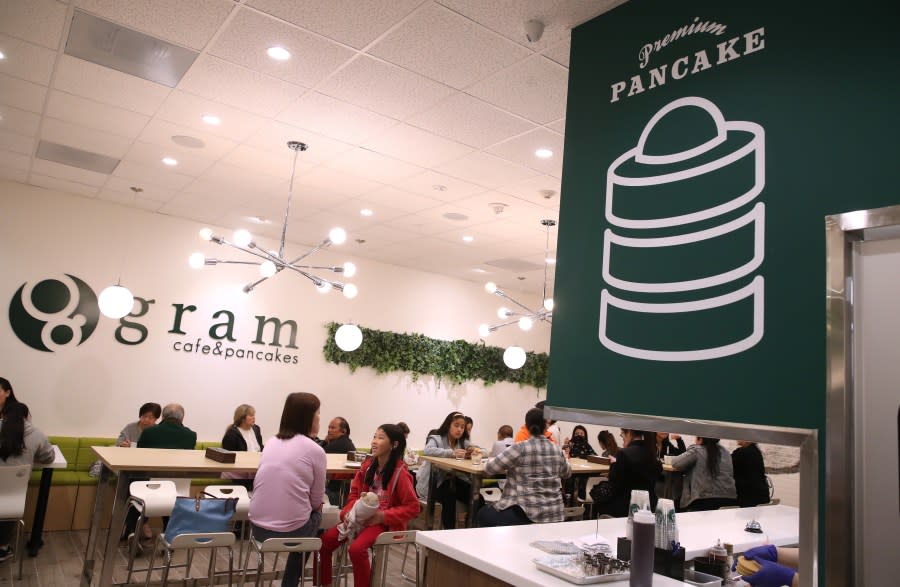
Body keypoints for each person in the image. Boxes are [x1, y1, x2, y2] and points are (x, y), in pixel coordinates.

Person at [317, 424, 419, 587]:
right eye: (374, 436)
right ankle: (325, 584)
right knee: (323, 543)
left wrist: (382, 516)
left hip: (384, 524)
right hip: (359, 518)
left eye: (380, 438)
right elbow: (353, 496)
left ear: (394, 445)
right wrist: (348, 513)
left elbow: (413, 507)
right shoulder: (366, 467)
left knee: (356, 550)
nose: (374, 442)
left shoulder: (401, 473)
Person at [249, 392, 326, 587]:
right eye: (318, 413)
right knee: (317, 515)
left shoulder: (271, 442)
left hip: (256, 528)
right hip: (293, 531)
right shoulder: (315, 450)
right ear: (309, 417)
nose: (319, 418)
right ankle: (289, 583)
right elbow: (317, 500)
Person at [477, 408, 571, 527]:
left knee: (483, 514)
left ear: (526, 426)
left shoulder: (519, 448)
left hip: (526, 514)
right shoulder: (557, 449)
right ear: (546, 426)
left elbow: (489, 468)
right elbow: (567, 473)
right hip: (554, 514)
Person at [0, 402, 54, 562]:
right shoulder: (37, 434)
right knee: (9, 497)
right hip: (15, 502)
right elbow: (49, 457)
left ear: (3, 415)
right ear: (27, 417)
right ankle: (2, 547)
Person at [415, 412, 473, 530]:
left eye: (462, 427)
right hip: (433, 483)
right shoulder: (436, 438)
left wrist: (475, 451)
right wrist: (451, 453)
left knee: (475, 496)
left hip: (453, 481)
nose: (460, 429)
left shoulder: (463, 442)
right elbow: (428, 450)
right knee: (449, 496)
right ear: (448, 425)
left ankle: (471, 530)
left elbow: (483, 451)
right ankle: (448, 534)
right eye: (456, 425)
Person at [592, 429, 661, 518]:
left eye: (622, 435)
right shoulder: (652, 454)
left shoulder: (623, 454)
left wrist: (614, 466)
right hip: (648, 507)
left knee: (596, 498)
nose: (622, 438)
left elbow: (613, 486)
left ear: (629, 433)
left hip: (625, 508)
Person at [671, 437, 738, 511]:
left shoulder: (697, 450)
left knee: (677, 503)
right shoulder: (726, 452)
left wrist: (694, 446)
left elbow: (675, 463)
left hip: (703, 500)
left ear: (700, 439)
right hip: (729, 499)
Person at [221, 404, 264, 491]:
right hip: (238, 472)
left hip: (255, 469)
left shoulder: (256, 429)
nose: (254, 418)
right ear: (242, 418)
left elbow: (261, 448)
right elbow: (228, 457)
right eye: (251, 416)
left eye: (254, 415)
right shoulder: (231, 434)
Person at [563, 425, 596, 501]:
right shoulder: (570, 444)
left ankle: (582, 501)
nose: (579, 435)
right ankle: (569, 502)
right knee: (569, 481)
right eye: (577, 433)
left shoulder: (587, 445)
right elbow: (564, 455)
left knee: (584, 481)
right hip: (572, 471)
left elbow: (594, 456)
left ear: (585, 435)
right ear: (573, 435)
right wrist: (565, 445)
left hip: (584, 471)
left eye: (581, 433)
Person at [731, 441, 770, 507]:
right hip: (763, 496)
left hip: (748, 497)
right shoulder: (757, 451)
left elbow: (727, 469)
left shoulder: (741, 452)